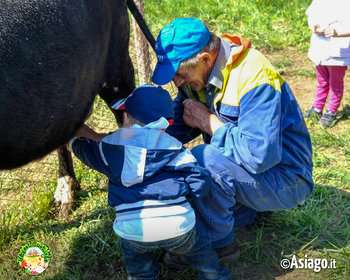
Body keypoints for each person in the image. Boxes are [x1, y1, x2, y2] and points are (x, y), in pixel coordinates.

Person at [151, 18, 314, 261]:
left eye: (180, 75)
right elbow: (180, 125)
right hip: (251, 173)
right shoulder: (199, 74)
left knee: (204, 160)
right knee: (185, 183)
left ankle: (219, 246)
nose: (178, 83)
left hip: (286, 177)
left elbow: (259, 156)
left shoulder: (253, 75)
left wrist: (209, 123)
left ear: (206, 59)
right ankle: (250, 210)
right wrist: (147, 137)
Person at [67, 85, 231, 280]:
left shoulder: (110, 148)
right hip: (178, 225)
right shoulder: (175, 147)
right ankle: (214, 275)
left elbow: (87, 151)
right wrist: (189, 196)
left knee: (139, 268)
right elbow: (199, 181)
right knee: (201, 252)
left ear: (126, 118)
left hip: (133, 229)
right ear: (164, 126)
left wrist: (71, 142)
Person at [304, 0, 350, 127]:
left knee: (335, 84)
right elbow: (311, 17)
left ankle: (332, 110)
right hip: (321, 51)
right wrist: (315, 26)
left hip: (337, 54)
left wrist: (338, 32)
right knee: (322, 82)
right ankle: (317, 108)